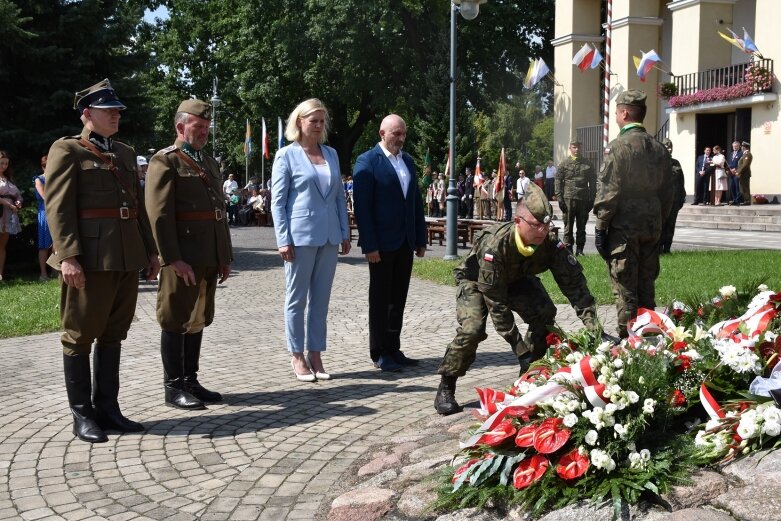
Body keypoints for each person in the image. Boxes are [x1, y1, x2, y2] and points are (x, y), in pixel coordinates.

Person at [45, 79, 160, 443]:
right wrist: (68, 257)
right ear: (87, 114)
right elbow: (58, 207)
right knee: (79, 336)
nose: (115, 115)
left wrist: (151, 251)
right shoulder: (68, 150)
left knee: (114, 335)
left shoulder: (125, 153)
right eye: (108, 110)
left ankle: (108, 409)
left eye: (118, 110)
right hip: (90, 260)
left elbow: (137, 208)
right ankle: (82, 415)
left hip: (125, 258)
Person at [434, 182, 597, 415]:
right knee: (473, 329)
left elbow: (575, 285)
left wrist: (593, 326)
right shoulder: (496, 246)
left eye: (546, 225)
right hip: (477, 282)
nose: (542, 231)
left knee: (544, 313)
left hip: (515, 280)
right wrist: (519, 349)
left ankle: (530, 375)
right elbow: (495, 302)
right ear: (518, 221)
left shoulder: (549, 243)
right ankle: (446, 385)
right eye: (536, 225)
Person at [145, 99, 233, 410]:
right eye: (199, 127)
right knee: (175, 319)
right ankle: (173, 387)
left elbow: (217, 211)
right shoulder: (165, 161)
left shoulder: (208, 162)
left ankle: (190, 381)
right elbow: (159, 216)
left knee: (197, 319)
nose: (204, 133)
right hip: (182, 257)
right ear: (181, 127)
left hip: (208, 255)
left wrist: (224, 256)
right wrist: (171, 257)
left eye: (207, 128)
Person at [271, 98, 351, 382]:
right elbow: (278, 203)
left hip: (329, 236)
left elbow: (340, 197)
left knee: (321, 299)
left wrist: (345, 231)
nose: (318, 125)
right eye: (312, 120)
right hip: (299, 236)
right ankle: (297, 355)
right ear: (299, 122)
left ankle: (316, 352)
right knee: (297, 299)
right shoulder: (286, 155)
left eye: (321, 121)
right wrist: (283, 239)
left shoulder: (331, 153)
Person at [593, 89, 673, 338]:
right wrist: (659, 221)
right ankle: (649, 337)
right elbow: (668, 193)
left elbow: (609, 192)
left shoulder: (618, 147)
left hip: (624, 227)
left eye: (616, 112)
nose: (616, 116)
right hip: (652, 224)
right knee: (646, 284)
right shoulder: (659, 148)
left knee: (625, 286)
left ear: (624, 113)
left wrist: (600, 227)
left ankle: (628, 343)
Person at [353, 114, 427, 372]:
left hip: (405, 242)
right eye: (396, 134)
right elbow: (363, 208)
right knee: (380, 298)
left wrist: (420, 238)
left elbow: (415, 202)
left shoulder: (407, 161)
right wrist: (369, 245)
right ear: (382, 134)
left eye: (403, 133)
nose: (401, 138)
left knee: (398, 298)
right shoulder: (367, 162)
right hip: (381, 245)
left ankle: (394, 348)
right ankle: (379, 351)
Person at [554, 140, 596, 256]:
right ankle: (568, 249)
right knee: (568, 225)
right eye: (574, 147)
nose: (577, 149)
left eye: (578, 147)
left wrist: (592, 199)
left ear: (581, 148)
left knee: (581, 226)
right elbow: (558, 181)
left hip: (583, 199)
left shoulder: (587, 164)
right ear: (570, 148)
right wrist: (559, 198)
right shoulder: (564, 164)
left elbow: (593, 182)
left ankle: (580, 249)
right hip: (568, 199)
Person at [660, 139, 686, 254]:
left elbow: (681, 182)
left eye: (670, 148)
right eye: (666, 147)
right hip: (661, 201)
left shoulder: (676, 163)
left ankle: (667, 248)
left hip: (674, 201)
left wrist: (681, 198)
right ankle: (658, 248)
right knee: (660, 225)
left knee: (671, 225)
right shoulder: (656, 163)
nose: (669, 149)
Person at [0, 151, 22, 282]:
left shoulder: (9, 179)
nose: (4, 166)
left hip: (8, 214)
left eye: (6, 163)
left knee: (2, 246)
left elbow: (17, 195)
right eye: (2, 163)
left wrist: (18, 201)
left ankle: (0, 274)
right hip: (2, 210)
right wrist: (9, 204)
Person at [34, 155, 53, 280]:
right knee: (44, 245)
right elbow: (45, 196)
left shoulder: (56, 178)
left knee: (56, 244)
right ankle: (43, 274)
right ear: (43, 166)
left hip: (57, 211)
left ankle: (56, 272)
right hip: (46, 212)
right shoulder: (39, 179)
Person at [726, 140, 743, 205]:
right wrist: (728, 170)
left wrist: (735, 169)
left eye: (736, 146)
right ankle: (734, 199)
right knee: (731, 186)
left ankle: (738, 200)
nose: (735, 147)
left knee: (737, 186)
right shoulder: (731, 154)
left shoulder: (741, 153)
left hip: (736, 172)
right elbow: (729, 163)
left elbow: (741, 164)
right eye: (734, 146)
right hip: (731, 173)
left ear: (739, 146)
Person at [737, 141, 753, 205]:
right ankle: (745, 200)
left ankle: (747, 201)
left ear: (745, 147)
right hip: (742, 174)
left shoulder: (748, 154)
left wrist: (739, 171)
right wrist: (737, 171)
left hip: (745, 174)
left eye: (743, 147)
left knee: (745, 187)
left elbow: (745, 165)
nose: (741, 148)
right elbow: (741, 164)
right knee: (742, 188)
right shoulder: (744, 154)